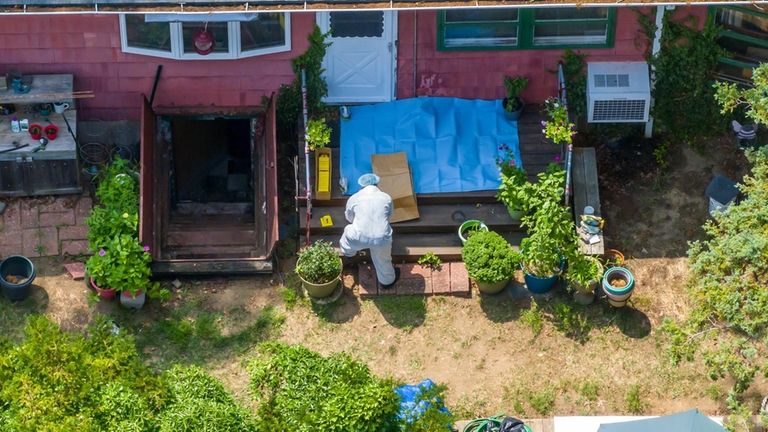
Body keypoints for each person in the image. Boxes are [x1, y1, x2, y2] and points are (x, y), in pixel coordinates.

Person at [339, 173, 400, 289]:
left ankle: (349, 255)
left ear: (361, 186)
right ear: (377, 183)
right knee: (383, 260)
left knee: (348, 231)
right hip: (381, 238)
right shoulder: (386, 197)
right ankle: (387, 282)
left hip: (357, 237)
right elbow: (390, 216)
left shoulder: (353, 198)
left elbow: (349, 218)